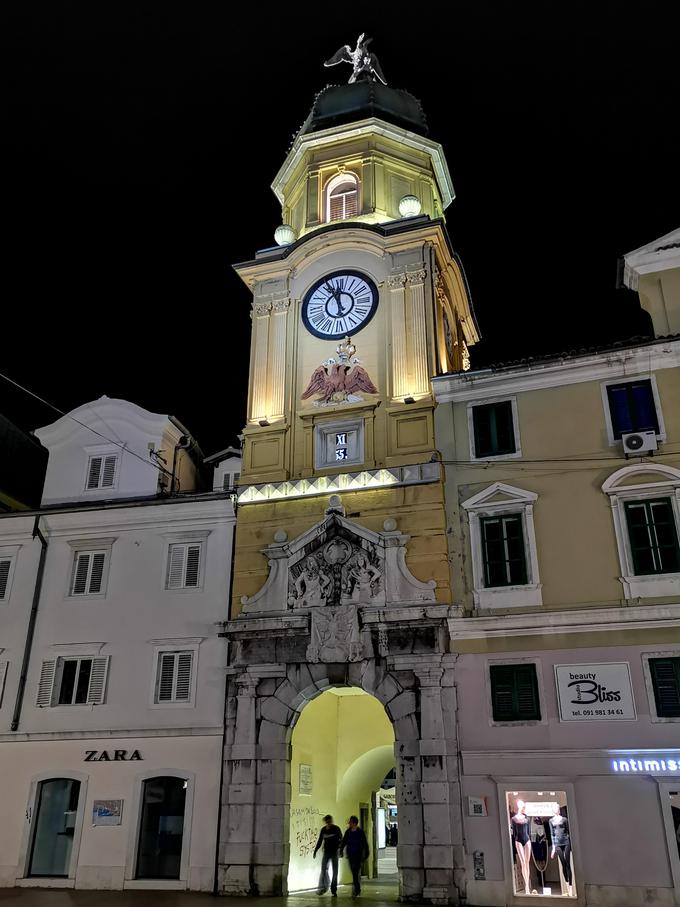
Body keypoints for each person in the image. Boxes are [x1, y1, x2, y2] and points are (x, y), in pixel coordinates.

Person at [340, 815, 369, 899]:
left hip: (358, 856)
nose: (349, 823)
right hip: (350, 855)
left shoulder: (360, 832)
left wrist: (366, 853)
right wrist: (341, 850)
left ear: (355, 823)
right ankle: (357, 889)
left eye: (351, 822)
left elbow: (365, 844)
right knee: (354, 873)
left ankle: (356, 890)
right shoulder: (348, 832)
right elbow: (344, 841)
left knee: (355, 873)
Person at [313, 814, 342, 896]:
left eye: (329, 821)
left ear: (331, 821)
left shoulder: (336, 829)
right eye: (327, 822)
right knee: (323, 869)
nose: (328, 823)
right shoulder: (323, 830)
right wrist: (315, 850)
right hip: (326, 852)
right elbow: (320, 840)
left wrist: (339, 849)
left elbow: (341, 839)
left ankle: (334, 889)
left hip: (334, 852)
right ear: (325, 822)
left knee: (335, 871)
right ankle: (324, 886)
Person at [549, 804, 573, 897]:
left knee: (568, 863)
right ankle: (566, 884)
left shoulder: (564, 819)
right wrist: (553, 848)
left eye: (557, 808)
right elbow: (552, 834)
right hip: (558, 844)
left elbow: (568, 831)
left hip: (566, 842)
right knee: (563, 864)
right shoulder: (551, 821)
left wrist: (570, 842)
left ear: (559, 809)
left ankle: (570, 887)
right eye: (555, 808)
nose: (556, 810)